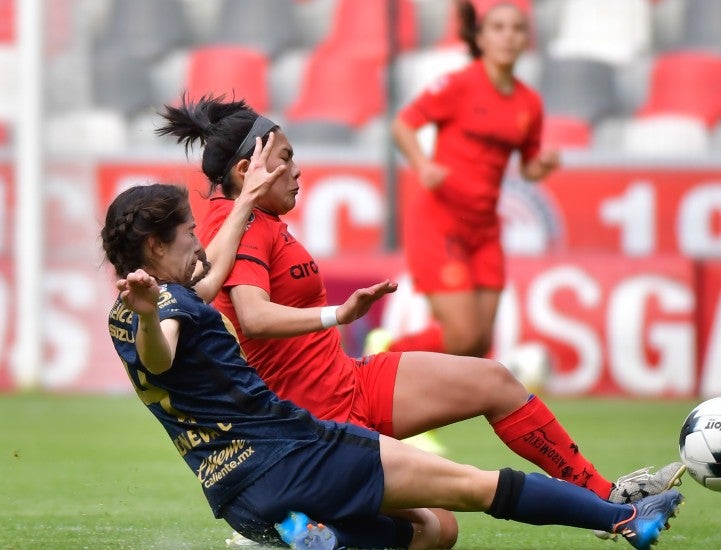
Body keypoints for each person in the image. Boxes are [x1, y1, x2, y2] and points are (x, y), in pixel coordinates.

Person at [101, 182, 684, 549]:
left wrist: (246, 200)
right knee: (471, 487)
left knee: (428, 531)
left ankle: (319, 539)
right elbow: (163, 354)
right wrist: (152, 318)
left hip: (238, 496)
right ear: (156, 245)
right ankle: (625, 519)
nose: (200, 243)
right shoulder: (159, 309)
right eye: (189, 233)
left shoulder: (128, 310)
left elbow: (202, 285)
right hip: (300, 455)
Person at [385, 0, 560, 359]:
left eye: (517, 29)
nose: (508, 37)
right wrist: (422, 165)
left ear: (527, 40)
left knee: (479, 344)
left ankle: (412, 374)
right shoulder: (460, 85)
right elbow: (402, 125)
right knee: (463, 337)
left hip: (485, 230)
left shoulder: (530, 104)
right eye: (498, 28)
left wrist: (541, 166)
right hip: (440, 221)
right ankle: (383, 355)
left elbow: (528, 166)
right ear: (480, 39)